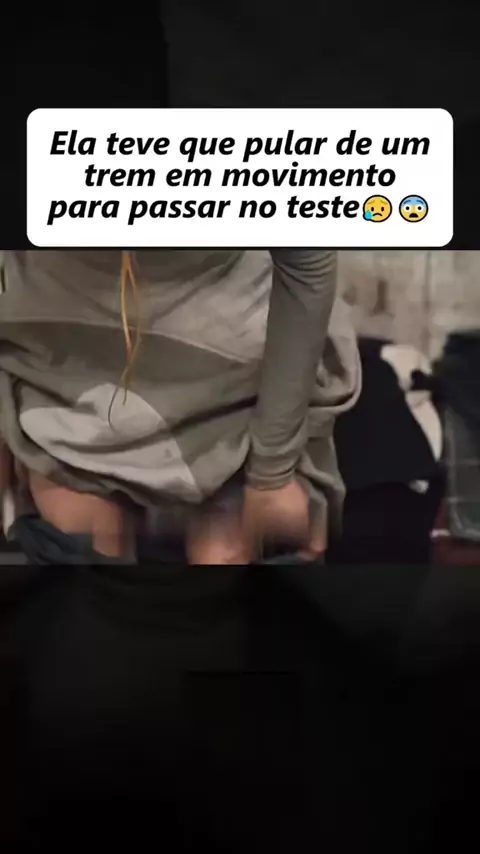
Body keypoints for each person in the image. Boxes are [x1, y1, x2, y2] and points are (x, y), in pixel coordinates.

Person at [0, 249, 360, 564]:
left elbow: (306, 260)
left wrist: (273, 470)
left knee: (229, 558)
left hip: (232, 370)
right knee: (84, 555)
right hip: (65, 359)